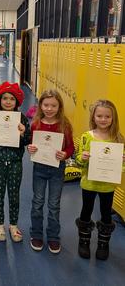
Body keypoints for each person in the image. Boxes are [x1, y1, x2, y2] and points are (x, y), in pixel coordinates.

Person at [75, 99, 125, 260]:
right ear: (93, 117)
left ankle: (103, 244)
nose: (103, 119)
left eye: (107, 116)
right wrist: (82, 158)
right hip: (89, 182)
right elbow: (78, 161)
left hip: (107, 186)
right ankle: (84, 241)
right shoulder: (86, 137)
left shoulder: (118, 139)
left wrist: (121, 161)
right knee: (86, 210)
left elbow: (121, 169)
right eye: (99, 116)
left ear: (113, 118)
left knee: (106, 213)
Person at [27, 89, 74, 254]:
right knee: (37, 202)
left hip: (57, 169)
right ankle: (36, 234)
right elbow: (31, 145)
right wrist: (30, 148)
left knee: (54, 205)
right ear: (40, 105)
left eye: (53, 105)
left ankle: (53, 237)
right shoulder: (36, 124)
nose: (49, 108)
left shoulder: (64, 124)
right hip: (39, 168)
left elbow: (70, 147)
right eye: (46, 105)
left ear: (59, 106)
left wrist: (65, 154)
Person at [0, 82, 31, 242]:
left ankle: (13, 225)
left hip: (15, 161)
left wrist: (23, 133)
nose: (8, 102)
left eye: (12, 99)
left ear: (17, 101)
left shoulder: (22, 119)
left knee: (14, 194)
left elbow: (28, 140)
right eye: (5, 98)